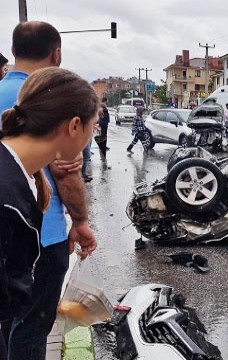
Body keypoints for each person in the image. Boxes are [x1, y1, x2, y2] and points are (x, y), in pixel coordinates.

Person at [0, 22, 97, 360]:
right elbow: (68, 176)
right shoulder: (11, 197)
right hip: (44, 241)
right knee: (29, 330)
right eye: (92, 129)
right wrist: (79, 220)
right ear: (73, 127)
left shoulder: (21, 179)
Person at [97, 97, 110, 161]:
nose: (107, 101)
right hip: (103, 123)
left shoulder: (103, 106)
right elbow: (100, 114)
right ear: (105, 100)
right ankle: (102, 146)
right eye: (107, 100)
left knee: (104, 135)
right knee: (103, 135)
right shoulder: (102, 106)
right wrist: (102, 118)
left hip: (104, 122)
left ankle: (104, 146)